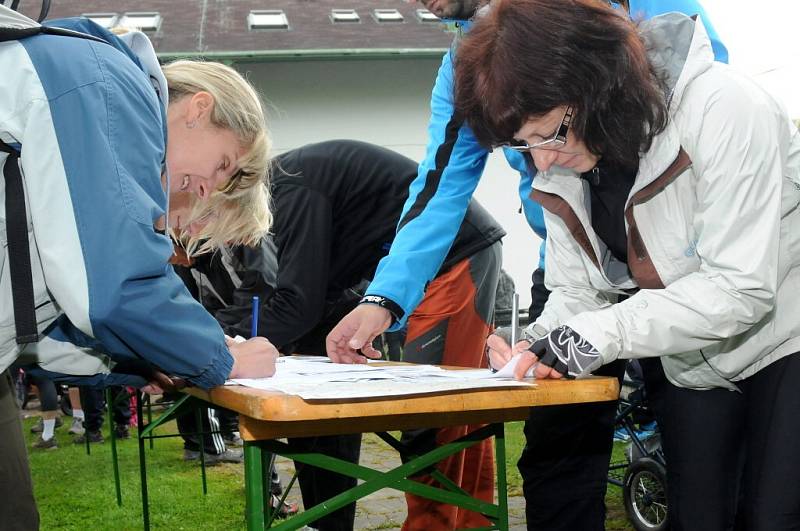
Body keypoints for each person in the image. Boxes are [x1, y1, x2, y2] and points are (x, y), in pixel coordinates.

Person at [326, 1, 727, 529]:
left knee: (699, 455)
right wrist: (384, 299)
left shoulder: (620, 14)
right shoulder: (466, 64)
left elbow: (702, 104)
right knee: (556, 454)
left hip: (680, 269)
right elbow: (439, 186)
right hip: (574, 276)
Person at [454, 1, 800, 530]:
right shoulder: (563, 166)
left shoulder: (724, 107)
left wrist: (600, 333)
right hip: (693, 355)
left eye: (548, 134)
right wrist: (539, 342)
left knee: (774, 516)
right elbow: (579, 293)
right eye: (522, 145)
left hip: (787, 334)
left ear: (595, 85)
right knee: (698, 519)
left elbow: (740, 289)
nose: (541, 161)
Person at [1, 8, 278, 529]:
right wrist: (217, 356)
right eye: (222, 165)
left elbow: (32, 319)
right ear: (199, 108)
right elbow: (115, 284)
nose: (207, 189)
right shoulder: (108, 82)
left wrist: (144, 363)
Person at [180, 139, 505, 530]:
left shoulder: (291, 188)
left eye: (203, 225)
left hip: (453, 255)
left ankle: (441, 524)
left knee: (435, 415)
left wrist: (212, 345)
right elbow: (314, 293)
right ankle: (469, 522)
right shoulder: (283, 191)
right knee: (457, 415)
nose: (212, 240)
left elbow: (299, 304)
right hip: (406, 277)